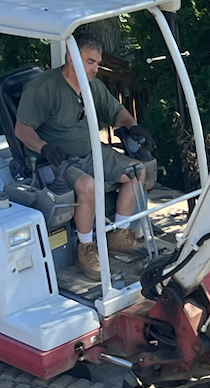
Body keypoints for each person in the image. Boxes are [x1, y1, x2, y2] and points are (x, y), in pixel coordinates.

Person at [12, 32, 151, 278]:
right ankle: (86, 247)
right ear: (71, 57)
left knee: (137, 170)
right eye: (90, 61)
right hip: (55, 159)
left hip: (90, 152)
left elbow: (116, 111)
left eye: (97, 63)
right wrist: (45, 147)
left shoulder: (92, 87)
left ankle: (119, 234)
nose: (95, 68)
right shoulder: (44, 88)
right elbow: (22, 130)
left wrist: (133, 127)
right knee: (88, 186)